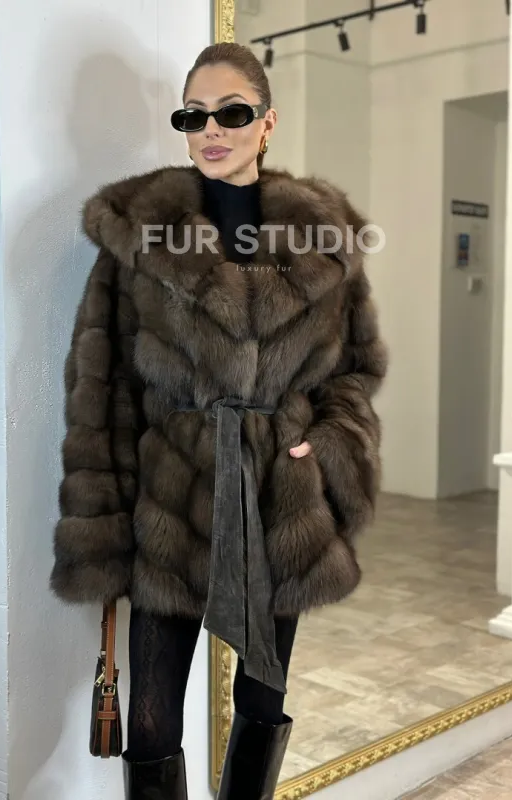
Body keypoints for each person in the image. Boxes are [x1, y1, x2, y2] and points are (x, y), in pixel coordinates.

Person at [50, 42, 388, 800]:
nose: (211, 129)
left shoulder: (325, 238)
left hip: (280, 496)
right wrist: (105, 528)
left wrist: (328, 442)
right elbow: (101, 393)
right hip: (173, 502)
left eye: (232, 112)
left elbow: (356, 369)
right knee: (149, 724)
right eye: (193, 115)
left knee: (263, 699)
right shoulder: (139, 235)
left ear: (267, 122)